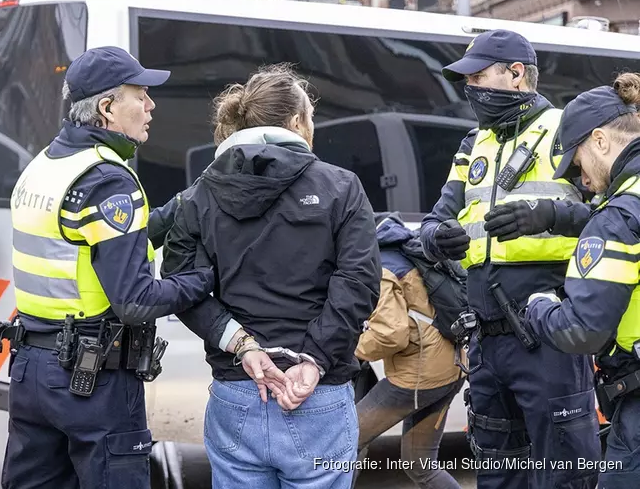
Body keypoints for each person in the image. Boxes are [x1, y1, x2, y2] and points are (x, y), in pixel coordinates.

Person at [0, 46, 215, 489]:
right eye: (141, 95)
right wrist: (205, 279)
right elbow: (135, 301)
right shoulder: (109, 179)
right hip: (92, 381)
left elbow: (92, 244)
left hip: (33, 370)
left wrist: (179, 207)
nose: (151, 106)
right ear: (107, 107)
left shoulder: (46, 165)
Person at [161, 63, 381, 489]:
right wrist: (314, 360)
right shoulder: (342, 186)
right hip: (316, 396)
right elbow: (358, 283)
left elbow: (182, 286)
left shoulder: (201, 193)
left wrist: (242, 346)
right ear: (297, 121)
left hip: (236, 391)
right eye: (311, 118)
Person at [419, 29, 601, 488]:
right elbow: (433, 221)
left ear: (516, 74)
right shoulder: (473, 143)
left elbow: (613, 215)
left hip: (548, 332)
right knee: (497, 469)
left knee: (562, 468)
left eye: (480, 76)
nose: (471, 88)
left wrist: (549, 215)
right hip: (485, 337)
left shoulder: (567, 129)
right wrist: (437, 239)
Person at [526, 73, 640, 488]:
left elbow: (581, 331)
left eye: (577, 163)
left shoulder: (618, 219)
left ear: (600, 140)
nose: (582, 180)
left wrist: (541, 306)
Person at [353, 213, 465, 489]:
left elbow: (391, 335)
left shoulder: (381, 267)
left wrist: (351, 350)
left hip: (417, 377)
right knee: (420, 464)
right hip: (450, 368)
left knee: (342, 443)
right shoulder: (411, 249)